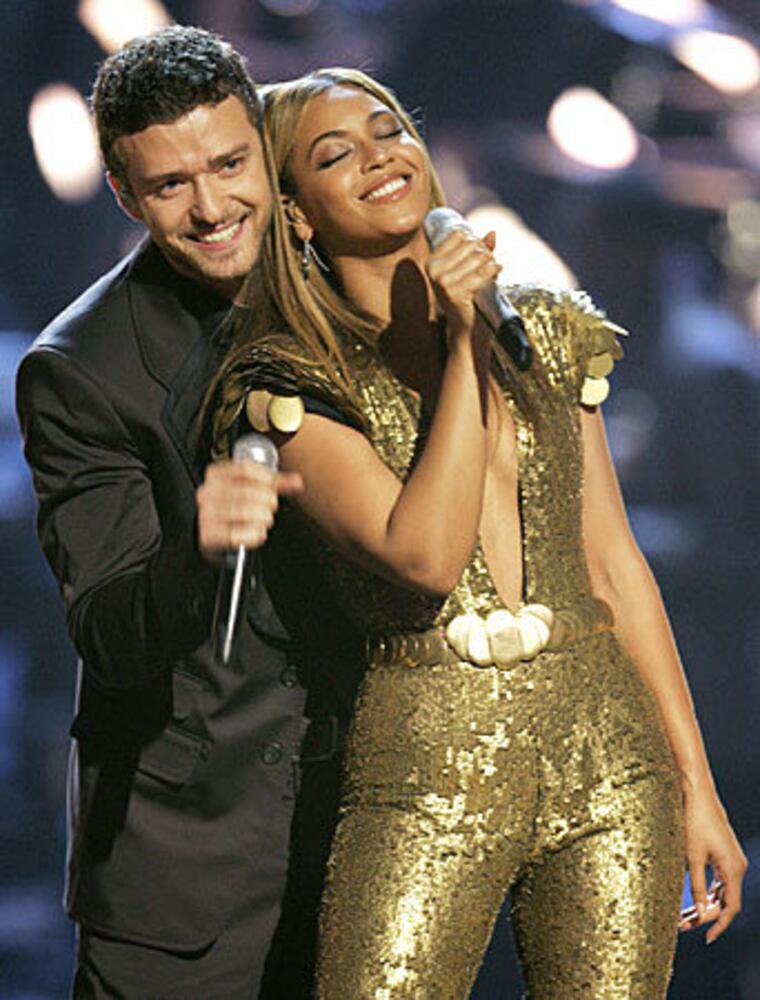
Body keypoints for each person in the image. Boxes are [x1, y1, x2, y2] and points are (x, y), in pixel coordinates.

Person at [211, 68, 748, 999]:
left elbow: (615, 566)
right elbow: (422, 556)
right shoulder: (293, 383)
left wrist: (697, 787)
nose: (379, 158)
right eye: (336, 155)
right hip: (428, 760)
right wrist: (465, 346)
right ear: (295, 212)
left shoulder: (547, 329)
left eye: (390, 131)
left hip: (608, 752)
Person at [15, 26, 310, 999]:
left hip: (366, 834)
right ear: (124, 194)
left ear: (264, 148)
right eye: (171, 184)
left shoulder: (341, 278)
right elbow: (108, 627)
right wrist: (198, 543)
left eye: (228, 165)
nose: (212, 207)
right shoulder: (78, 370)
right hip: (187, 868)